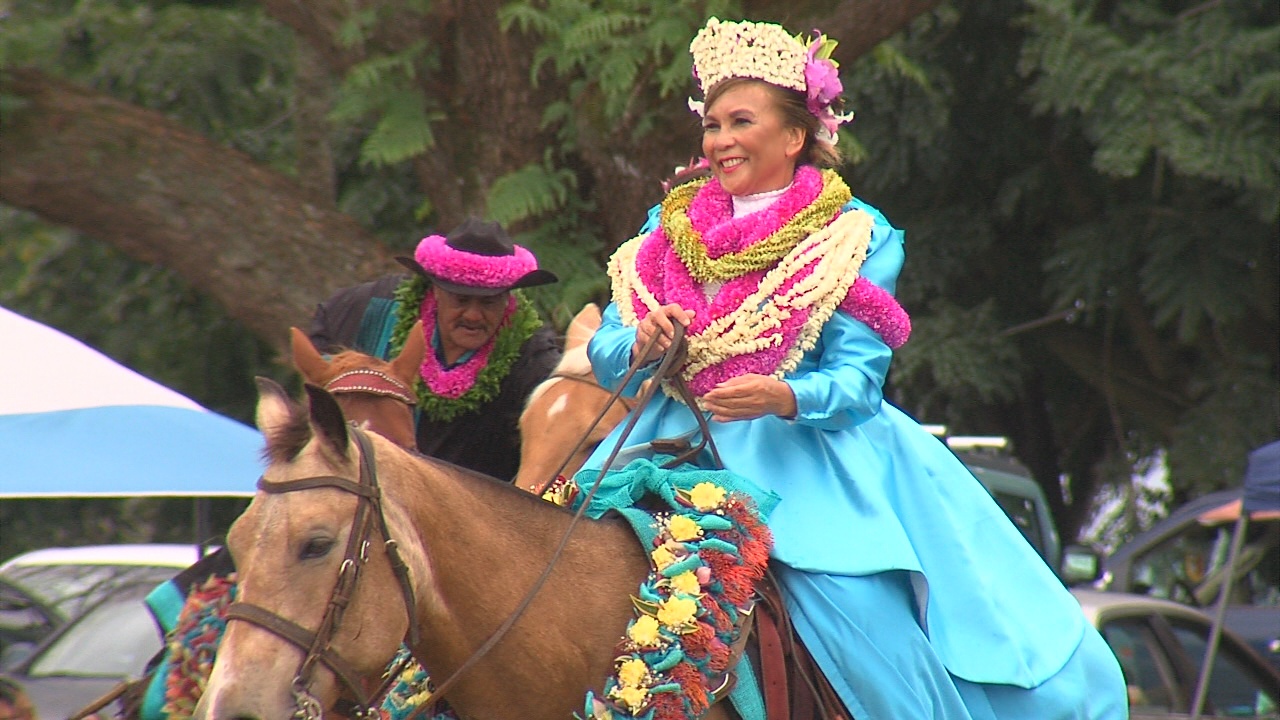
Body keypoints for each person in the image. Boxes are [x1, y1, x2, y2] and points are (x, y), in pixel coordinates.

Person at [576, 16, 1128, 719]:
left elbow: (859, 385)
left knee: (865, 627)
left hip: (807, 465)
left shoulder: (853, 235)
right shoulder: (664, 228)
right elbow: (605, 346)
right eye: (711, 125)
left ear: (795, 135)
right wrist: (640, 344)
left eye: (740, 121)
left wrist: (783, 396)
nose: (719, 140)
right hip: (662, 446)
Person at [308, 217, 562, 481]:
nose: (474, 316)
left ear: (508, 298)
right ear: (435, 291)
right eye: (461, 299)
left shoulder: (533, 362)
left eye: (489, 303)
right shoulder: (369, 308)